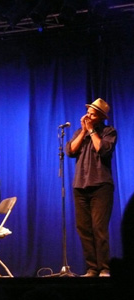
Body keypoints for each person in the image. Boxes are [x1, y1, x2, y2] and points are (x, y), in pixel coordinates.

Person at [65, 98, 117, 277]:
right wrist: (83, 131)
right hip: (80, 185)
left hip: (101, 186)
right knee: (84, 228)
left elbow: (102, 149)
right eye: (88, 111)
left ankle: (104, 268)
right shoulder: (81, 131)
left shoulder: (109, 131)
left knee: (98, 228)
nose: (88, 114)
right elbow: (70, 150)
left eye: (93, 113)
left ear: (101, 117)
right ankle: (92, 268)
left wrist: (92, 131)